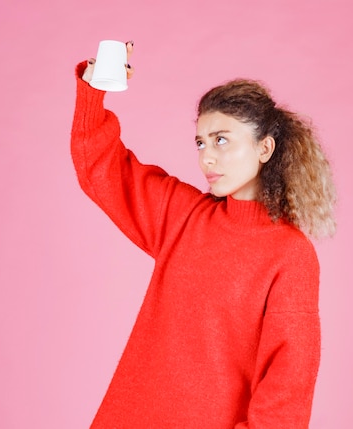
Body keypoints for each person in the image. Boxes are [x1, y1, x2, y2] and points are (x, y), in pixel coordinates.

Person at [71, 41, 337, 429]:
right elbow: (101, 168)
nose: (206, 157)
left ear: (265, 148)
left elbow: (287, 390)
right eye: (201, 142)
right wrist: (95, 91)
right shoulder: (183, 216)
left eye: (222, 140)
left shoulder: (289, 255)